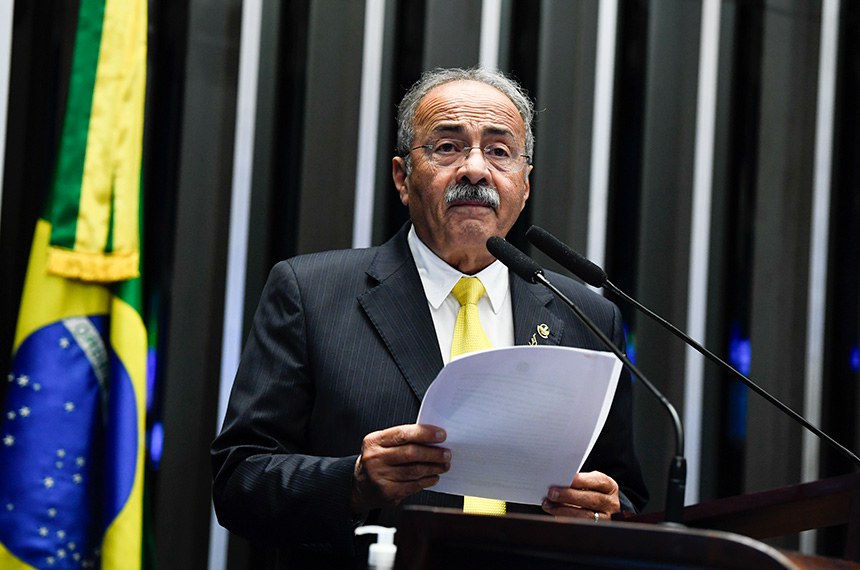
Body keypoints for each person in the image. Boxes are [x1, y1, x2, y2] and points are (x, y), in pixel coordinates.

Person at [211, 67, 647, 567]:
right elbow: (239, 481)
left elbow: (624, 496)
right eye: (447, 148)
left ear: (524, 186)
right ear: (402, 177)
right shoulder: (311, 294)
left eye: (500, 151)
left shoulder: (587, 315)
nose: (475, 170)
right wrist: (353, 481)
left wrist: (600, 515)